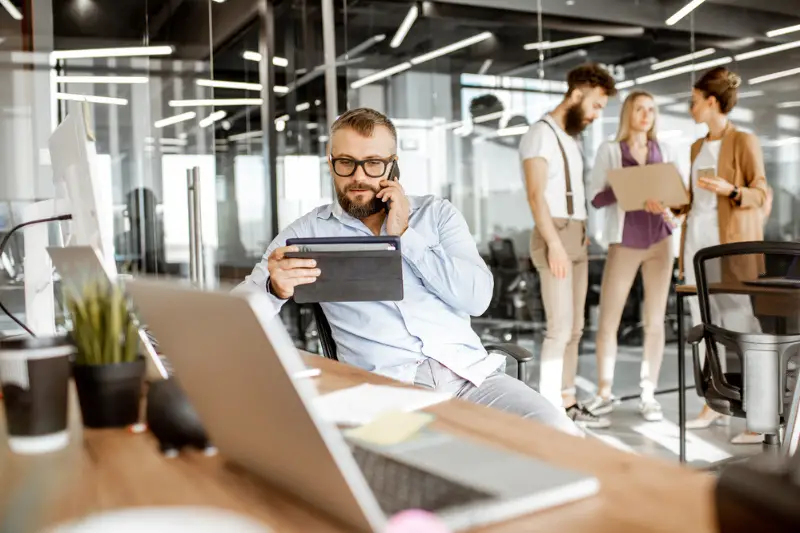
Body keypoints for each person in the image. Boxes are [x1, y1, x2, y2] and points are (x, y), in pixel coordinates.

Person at [235, 107, 580, 436]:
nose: (358, 177)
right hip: (388, 392)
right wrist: (273, 288)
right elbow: (238, 312)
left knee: (558, 433)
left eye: (373, 164)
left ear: (392, 166)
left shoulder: (437, 215)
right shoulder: (306, 233)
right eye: (346, 163)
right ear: (331, 163)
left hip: (472, 380)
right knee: (421, 467)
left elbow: (477, 300)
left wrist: (405, 237)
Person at [673, 67, 769, 442]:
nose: (690, 107)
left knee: (741, 324)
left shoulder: (744, 141)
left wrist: (732, 190)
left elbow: (759, 193)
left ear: (711, 102)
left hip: (729, 252)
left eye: (695, 101)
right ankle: (712, 402)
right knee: (703, 327)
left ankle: (759, 415)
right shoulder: (696, 147)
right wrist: (674, 205)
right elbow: (694, 201)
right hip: (696, 247)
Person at [519, 63, 617, 428]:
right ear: (578, 93)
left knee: (575, 329)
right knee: (558, 328)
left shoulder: (570, 138)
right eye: (595, 106)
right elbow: (535, 195)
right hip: (554, 236)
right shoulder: (540, 134)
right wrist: (555, 244)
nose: (595, 115)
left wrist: (581, 232)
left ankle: (567, 399)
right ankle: (548, 410)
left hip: (576, 234)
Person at [586, 91, 680, 422]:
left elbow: (677, 197)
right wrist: (627, 188)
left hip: (660, 241)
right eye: (640, 109)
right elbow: (595, 199)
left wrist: (664, 201)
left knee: (654, 320)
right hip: (624, 240)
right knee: (609, 319)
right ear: (629, 113)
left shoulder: (664, 150)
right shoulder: (610, 151)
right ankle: (603, 391)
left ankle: (649, 394)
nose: (646, 114)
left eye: (651, 109)